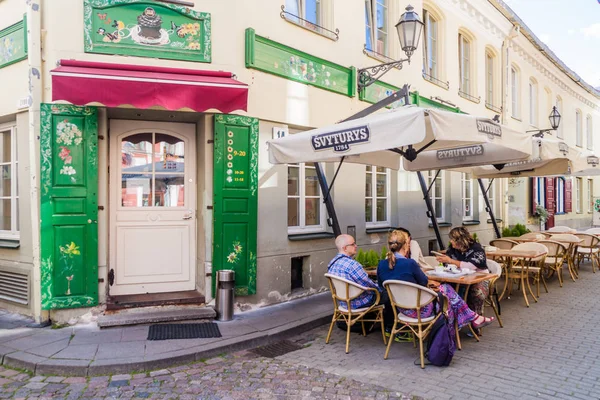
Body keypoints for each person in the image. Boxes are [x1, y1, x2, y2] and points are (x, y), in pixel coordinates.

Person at [378, 230, 494, 330]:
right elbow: (423, 282)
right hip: (421, 310)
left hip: (401, 310)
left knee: (445, 290)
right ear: (406, 245)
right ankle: (470, 318)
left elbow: (382, 286)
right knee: (446, 289)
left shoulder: (381, 265)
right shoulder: (410, 264)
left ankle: (470, 318)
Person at [434, 227, 489, 316]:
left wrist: (450, 261)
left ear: (460, 240)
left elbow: (470, 266)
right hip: (459, 278)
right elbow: (448, 265)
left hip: (479, 278)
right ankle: (452, 318)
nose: (451, 241)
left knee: (477, 293)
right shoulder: (452, 249)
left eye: (452, 239)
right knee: (443, 289)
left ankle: (476, 319)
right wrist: (444, 262)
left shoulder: (477, 248)